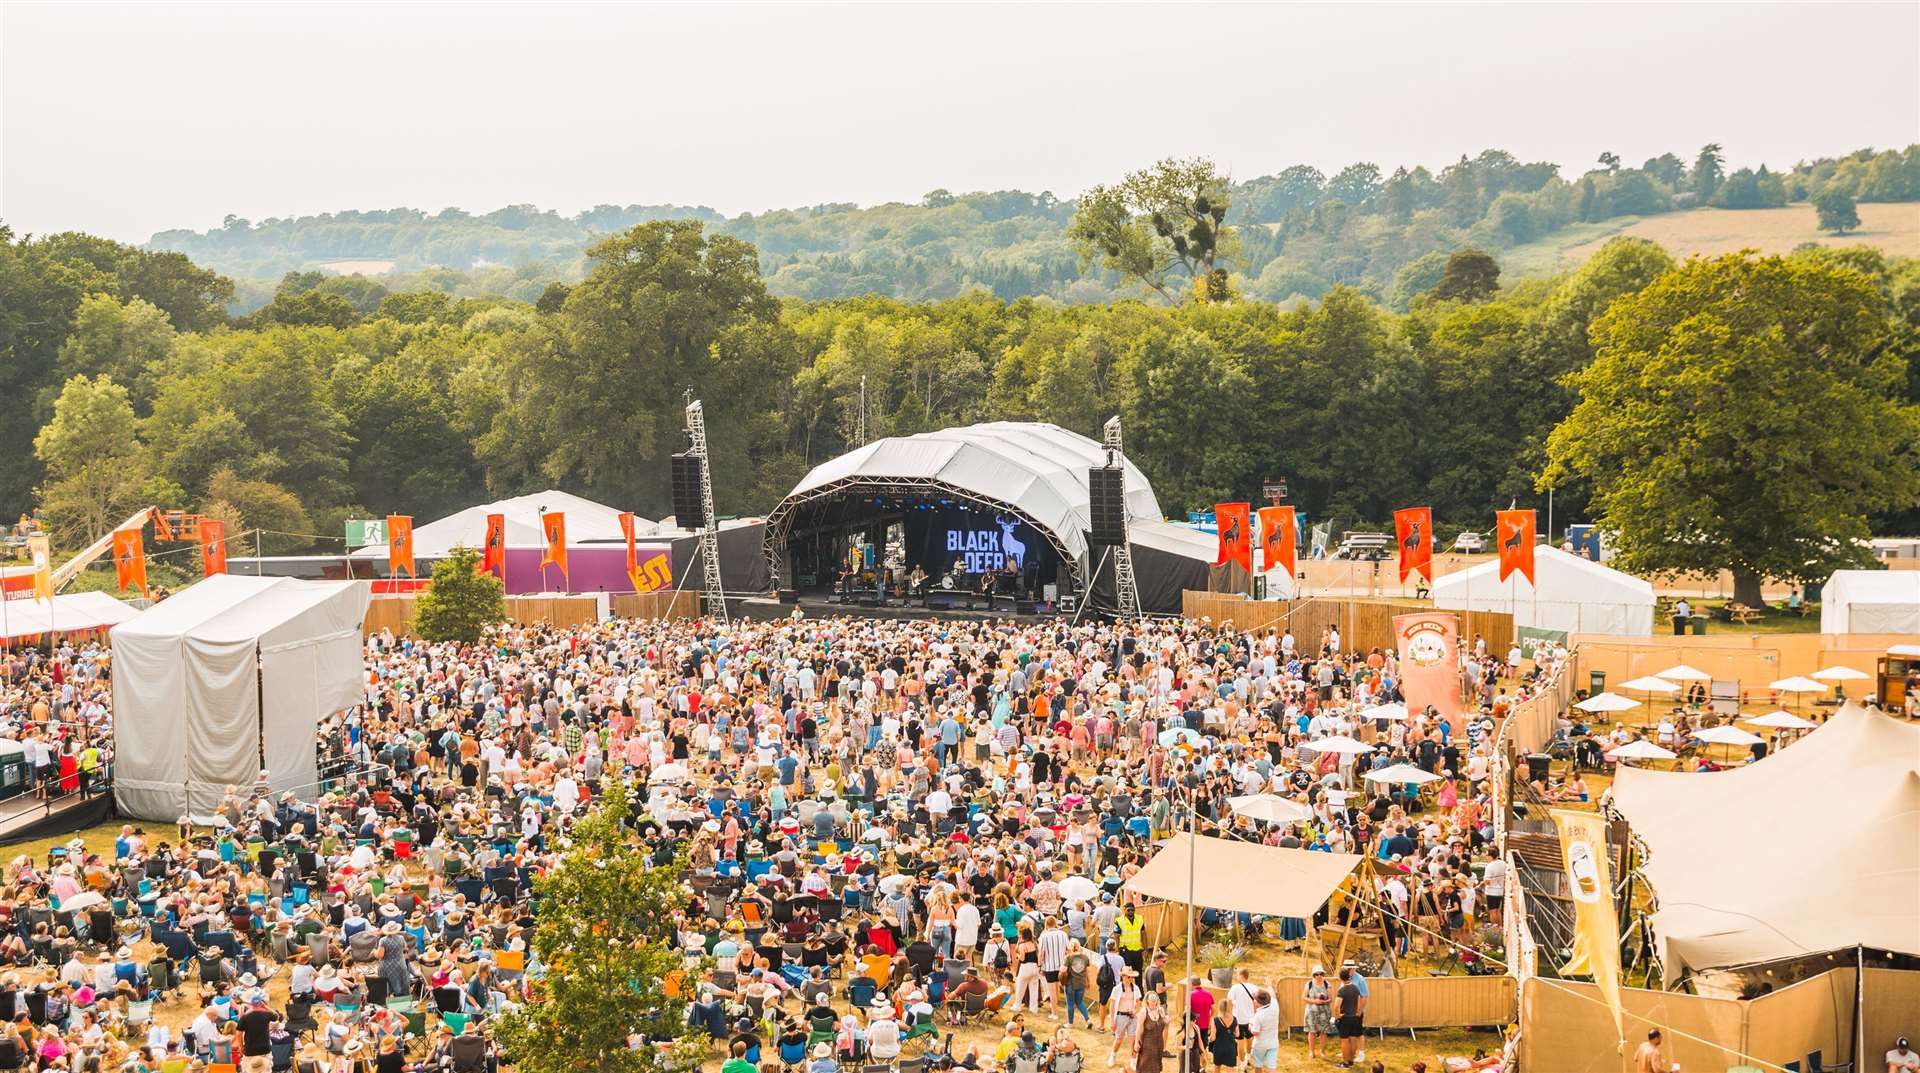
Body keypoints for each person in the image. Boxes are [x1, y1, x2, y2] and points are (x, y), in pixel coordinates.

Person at [1334, 967, 1365, 1068]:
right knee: (1353, 1039)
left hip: (1345, 1018)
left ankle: (1346, 1063)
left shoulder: (1342, 990)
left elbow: (1336, 1006)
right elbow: (1362, 998)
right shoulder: (1355, 988)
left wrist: (1338, 1015)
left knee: (1344, 1041)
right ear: (1349, 976)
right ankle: (1351, 1060)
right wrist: (1358, 1012)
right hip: (1355, 1018)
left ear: (1340, 978)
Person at [1301, 966, 1334, 1061]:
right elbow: (1303, 997)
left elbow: (1331, 999)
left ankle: (1322, 1051)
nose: (1319, 976)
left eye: (1321, 974)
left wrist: (1323, 1001)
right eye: (1317, 974)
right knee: (1312, 1032)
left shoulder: (1327, 984)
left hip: (1324, 1012)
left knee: (1323, 1032)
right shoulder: (1309, 984)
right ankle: (1311, 1051)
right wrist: (1314, 1001)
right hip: (1311, 1012)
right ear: (1313, 975)